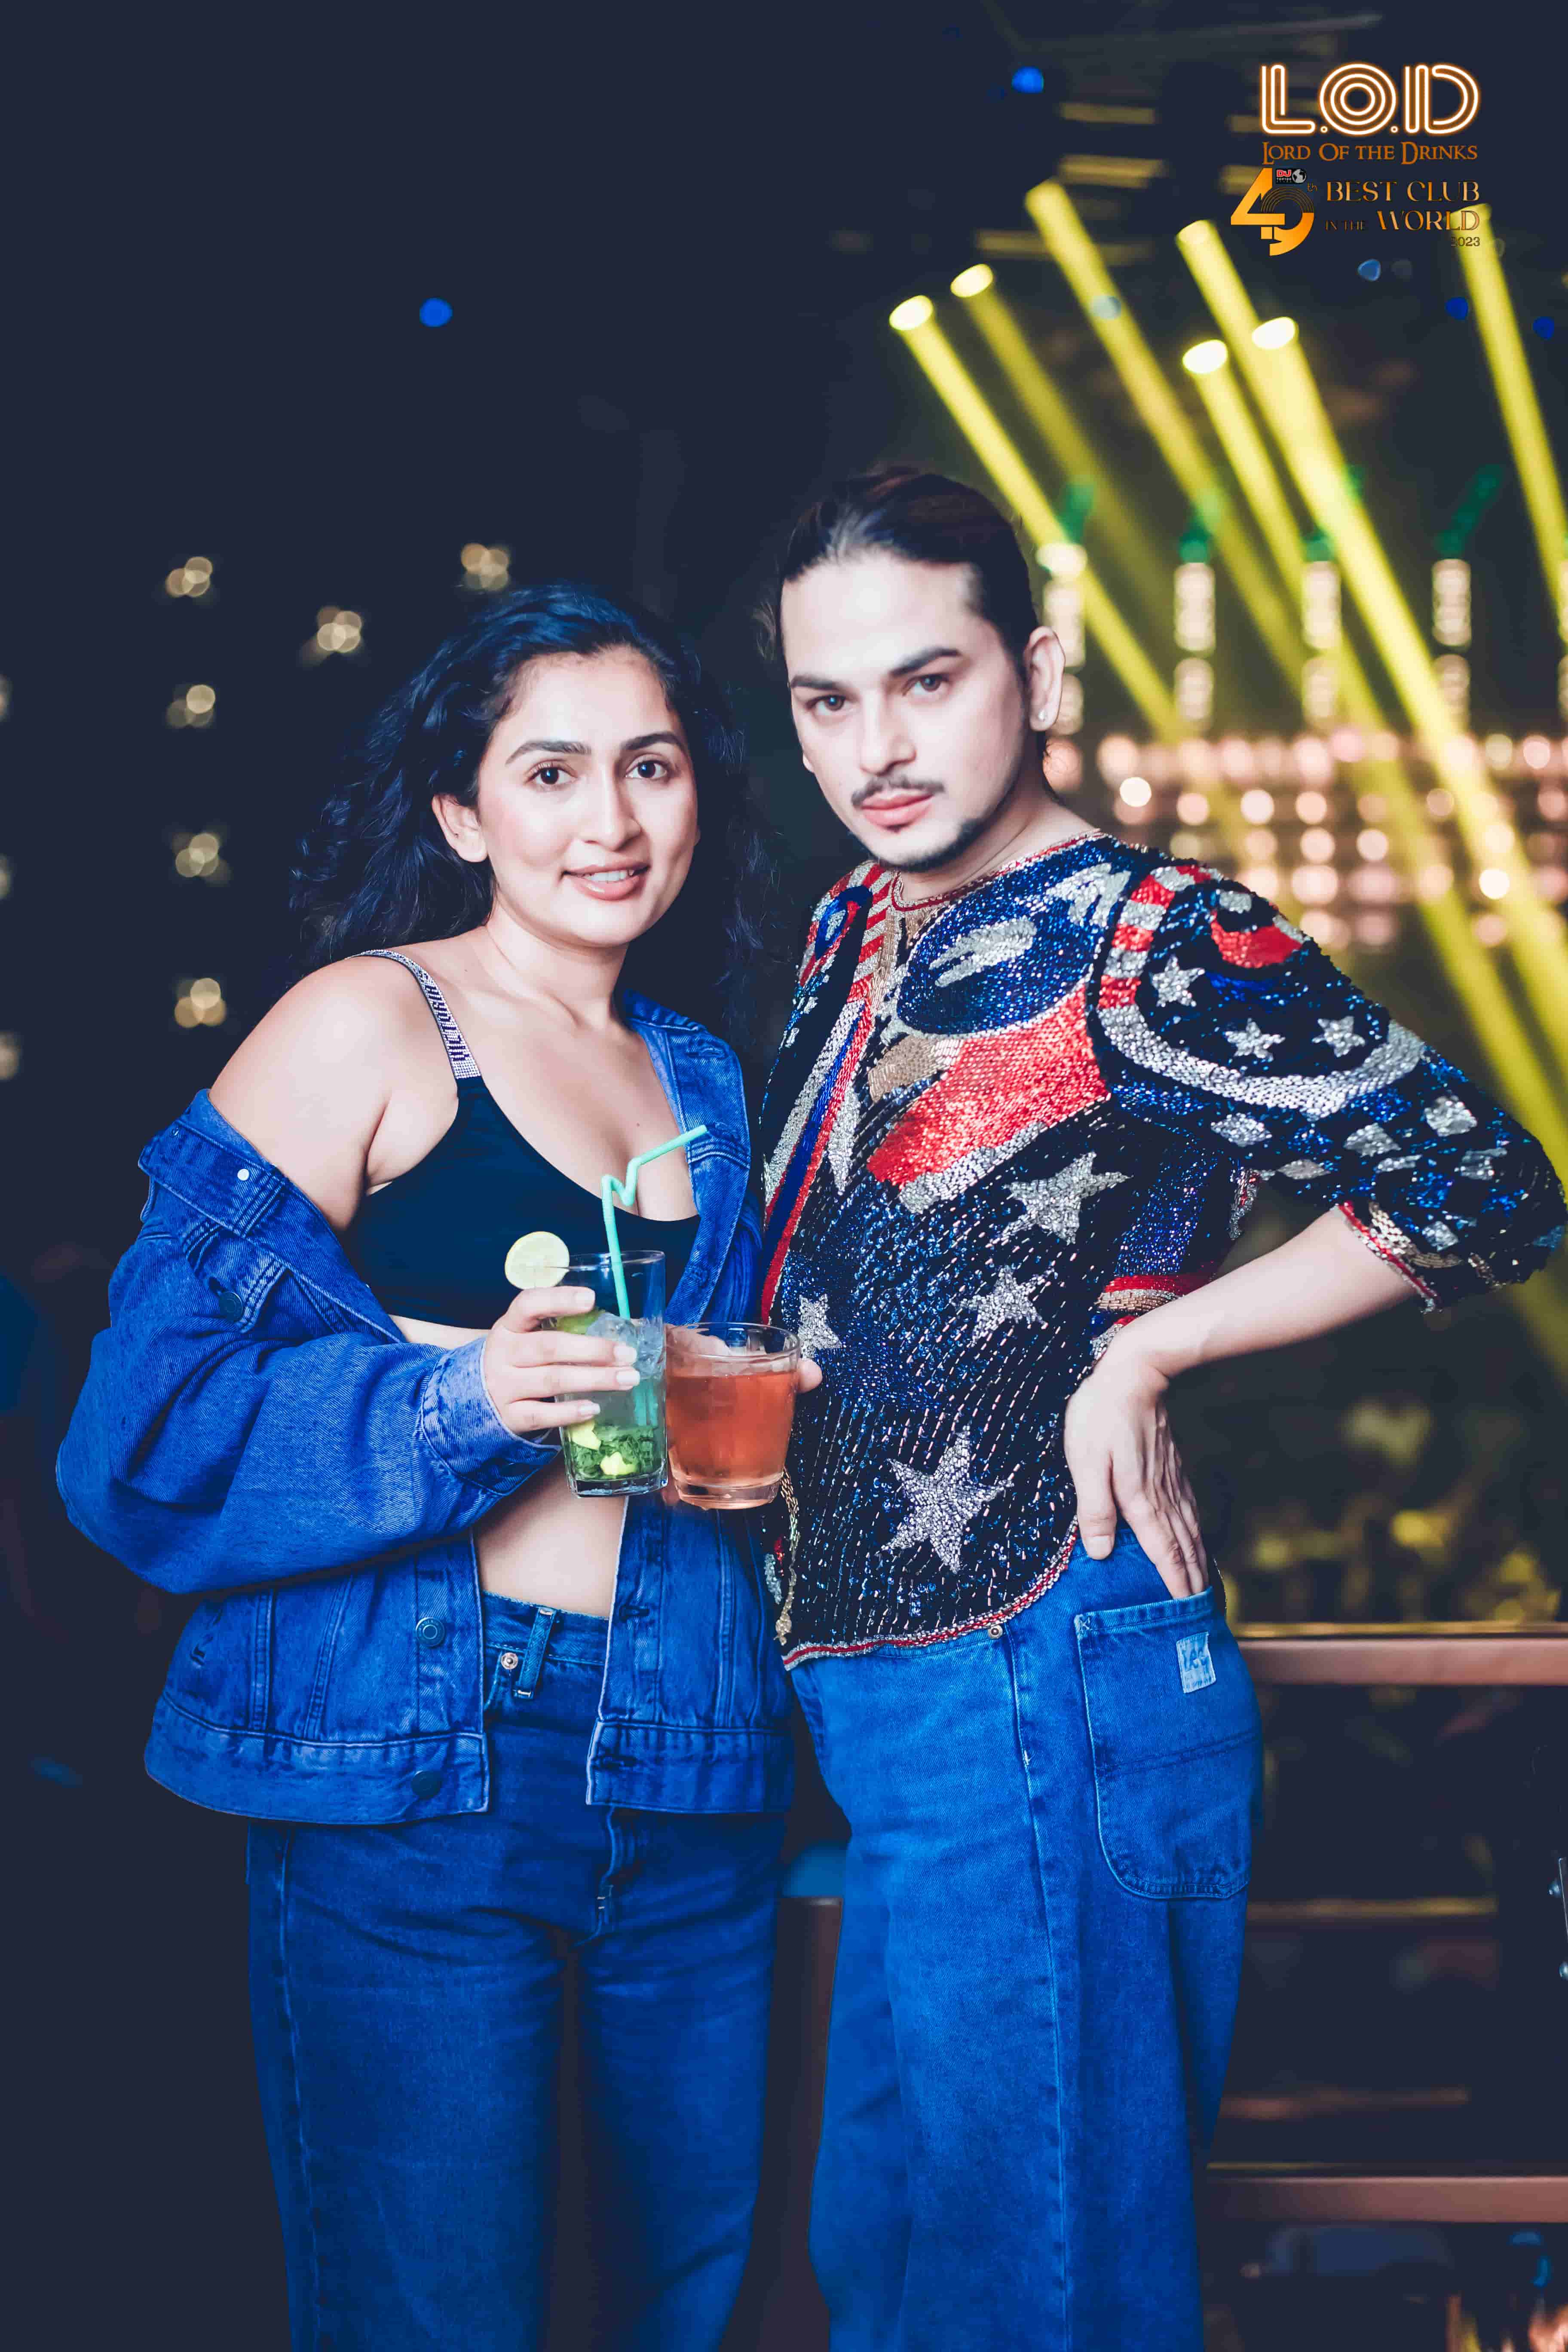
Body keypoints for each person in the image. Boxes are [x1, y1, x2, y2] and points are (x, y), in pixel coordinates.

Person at [753, 466, 1566, 2352]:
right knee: (896, 2267)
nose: (878, 747)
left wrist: (1157, 1348)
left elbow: (1486, 1184)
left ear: (1039, 674)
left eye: (928, 680)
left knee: (1037, 2288)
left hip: (1043, 1656)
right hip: (880, 1691)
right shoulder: (849, 924)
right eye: (827, 700)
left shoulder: (1161, 932)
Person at [58, 584, 817, 2352]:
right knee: (442, 2314)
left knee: (679, 2310)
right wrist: (467, 1398)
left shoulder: (700, 1076)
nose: (610, 819)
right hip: (432, 1765)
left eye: (650, 767)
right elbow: (137, 1436)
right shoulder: (367, 1025)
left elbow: (691, 1422)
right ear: (462, 815)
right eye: (550, 773)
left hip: (694, 1755)